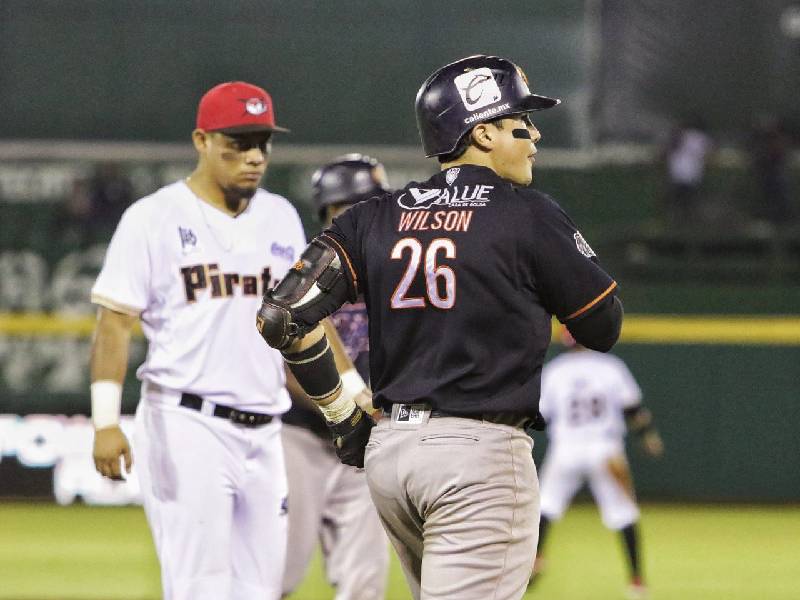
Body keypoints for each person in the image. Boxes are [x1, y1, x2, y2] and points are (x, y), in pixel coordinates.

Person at [256, 54, 624, 600]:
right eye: (522, 123)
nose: (536, 136)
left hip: (390, 456)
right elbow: (602, 327)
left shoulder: (374, 215)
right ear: (482, 133)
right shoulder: (528, 214)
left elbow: (282, 316)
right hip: (479, 456)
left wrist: (341, 415)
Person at [89, 81, 306, 600]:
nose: (253, 157)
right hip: (187, 424)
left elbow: (303, 326)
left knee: (260, 590)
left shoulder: (281, 216)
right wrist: (103, 421)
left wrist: (348, 395)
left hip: (265, 428)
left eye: (262, 143)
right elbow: (114, 323)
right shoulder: (154, 218)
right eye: (238, 143)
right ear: (202, 140)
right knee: (199, 589)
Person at [281, 155, 390, 600]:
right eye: (347, 206)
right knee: (274, 576)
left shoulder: (397, 275)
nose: (360, 216)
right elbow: (288, 369)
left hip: (368, 444)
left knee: (364, 584)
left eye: (370, 204)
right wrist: (342, 409)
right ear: (326, 213)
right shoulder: (302, 276)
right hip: (300, 440)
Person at [531, 328, 664, 600]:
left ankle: (535, 559)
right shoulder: (611, 367)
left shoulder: (555, 371)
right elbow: (633, 410)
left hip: (566, 448)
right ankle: (637, 581)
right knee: (624, 513)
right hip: (606, 449)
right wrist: (647, 436)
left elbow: (540, 416)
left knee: (544, 506)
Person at [662, 116, 714, 224]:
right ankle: (686, 219)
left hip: (677, 172)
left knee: (677, 198)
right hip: (692, 174)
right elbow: (709, 155)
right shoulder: (702, 138)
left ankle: (675, 219)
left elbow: (668, 151)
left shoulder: (681, 135)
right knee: (689, 199)